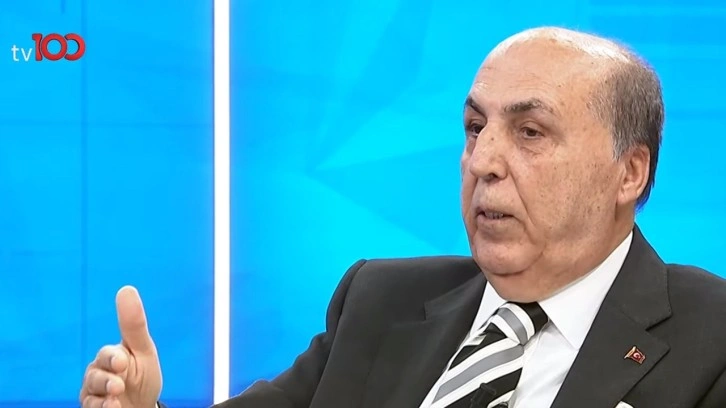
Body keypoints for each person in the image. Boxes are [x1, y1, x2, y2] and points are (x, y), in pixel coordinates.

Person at [79, 26, 726, 408]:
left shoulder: (712, 341)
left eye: (530, 132)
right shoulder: (379, 300)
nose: (483, 161)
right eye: (475, 128)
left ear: (628, 172)